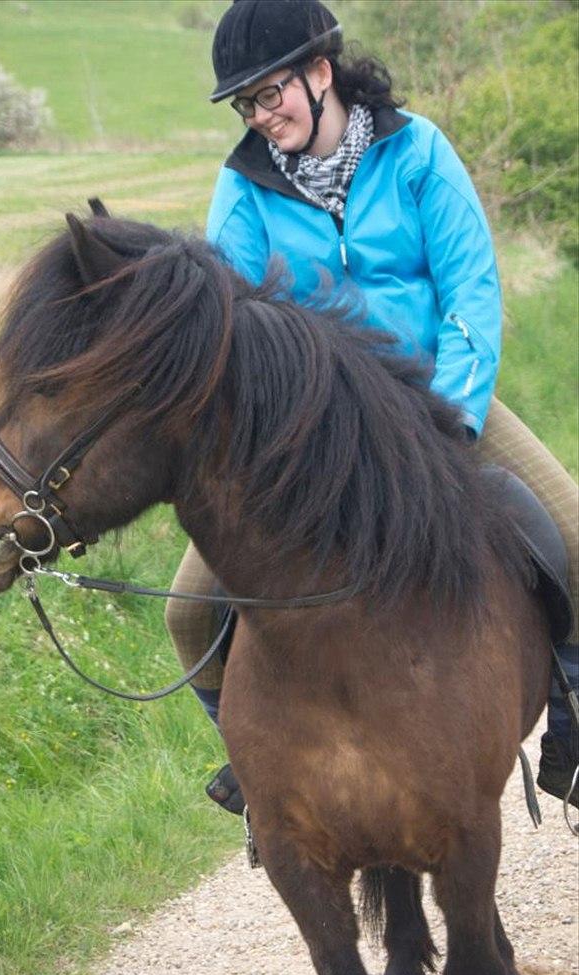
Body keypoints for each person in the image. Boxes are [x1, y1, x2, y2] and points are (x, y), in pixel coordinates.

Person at [164, 0, 578, 814]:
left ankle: (571, 725)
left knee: (574, 534)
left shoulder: (419, 152)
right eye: (245, 103)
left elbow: (470, 293)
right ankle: (260, 776)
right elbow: (234, 326)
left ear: (321, 72)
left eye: (270, 91)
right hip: (311, 432)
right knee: (186, 612)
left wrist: (454, 416)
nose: (259, 114)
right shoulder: (242, 189)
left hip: (438, 400)